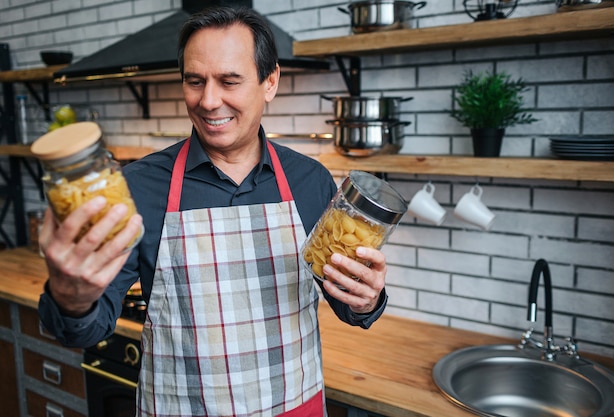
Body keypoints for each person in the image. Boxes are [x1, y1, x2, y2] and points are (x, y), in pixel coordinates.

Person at [38, 5, 388, 416]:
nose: (207, 101)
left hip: (294, 406)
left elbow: (348, 303)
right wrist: (69, 297)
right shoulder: (140, 187)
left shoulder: (310, 181)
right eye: (195, 81)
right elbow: (86, 329)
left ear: (269, 81)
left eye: (229, 81)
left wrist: (366, 299)